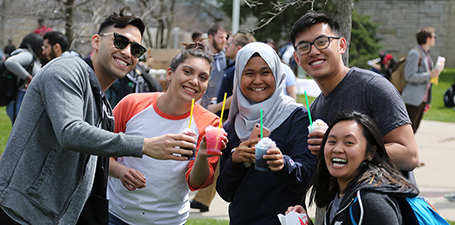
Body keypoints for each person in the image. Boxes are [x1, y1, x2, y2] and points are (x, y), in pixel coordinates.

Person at [0, 9, 197, 224]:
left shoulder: (100, 101)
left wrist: (120, 172)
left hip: (54, 217)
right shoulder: (67, 70)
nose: (128, 52)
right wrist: (145, 145)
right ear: (96, 41)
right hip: (19, 211)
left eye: (137, 49)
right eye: (120, 41)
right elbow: (71, 132)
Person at [289, 11, 418, 224]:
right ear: (297, 58)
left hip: (384, 212)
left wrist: (341, 147)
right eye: (304, 47)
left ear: (341, 45)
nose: (313, 51)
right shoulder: (316, 109)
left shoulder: (373, 88)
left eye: (322, 42)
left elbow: (409, 154)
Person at [107, 42, 227, 225]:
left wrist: (202, 156)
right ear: (170, 74)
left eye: (203, 77)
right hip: (116, 215)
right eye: (187, 72)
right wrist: (120, 171)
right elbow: (99, 152)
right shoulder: (131, 104)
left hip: (169, 220)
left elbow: (196, 183)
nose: (194, 81)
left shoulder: (210, 124)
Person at [216, 42, 317, 224]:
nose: (257, 80)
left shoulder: (296, 117)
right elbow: (225, 192)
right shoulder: (231, 126)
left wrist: (282, 163)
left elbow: (306, 178)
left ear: (277, 74)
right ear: (238, 77)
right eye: (249, 73)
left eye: (265, 72)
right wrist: (235, 160)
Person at [286, 111, 419, 224]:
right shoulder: (337, 194)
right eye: (331, 141)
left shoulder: (372, 202)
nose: (337, 149)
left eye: (349, 143)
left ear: (370, 153)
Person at [190, 32, 255, 213]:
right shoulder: (230, 65)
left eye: (232, 43)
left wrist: (216, 108)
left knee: (216, 157)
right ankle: (203, 199)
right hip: (224, 116)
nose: (227, 45)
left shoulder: (238, 69)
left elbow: (236, 95)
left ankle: (203, 198)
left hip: (227, 118)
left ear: (240, 48)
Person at [402, 26, 441, 133]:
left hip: (422, 98)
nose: (435, 39)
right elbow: (409, 76)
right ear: (427, 38)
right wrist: (429, 75)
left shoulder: (426, 54)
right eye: (434, 36)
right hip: (414, 99)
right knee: (409, 131)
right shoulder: (415, 53)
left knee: (413, 129)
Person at [4, 33, 43, 123]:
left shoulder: (26, 55)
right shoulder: (27, 54)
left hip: (18, 100)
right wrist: (29, 78)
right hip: (19, 99)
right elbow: (10, 62)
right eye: (41, 45)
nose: (42, 49)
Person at [199, 24, 227, 108]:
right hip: (202, 106)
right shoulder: (201, 57)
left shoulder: (227, 57)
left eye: (225, 37)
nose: (224, 41)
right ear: (211, 37)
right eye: (221, 37)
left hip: (221, 107)